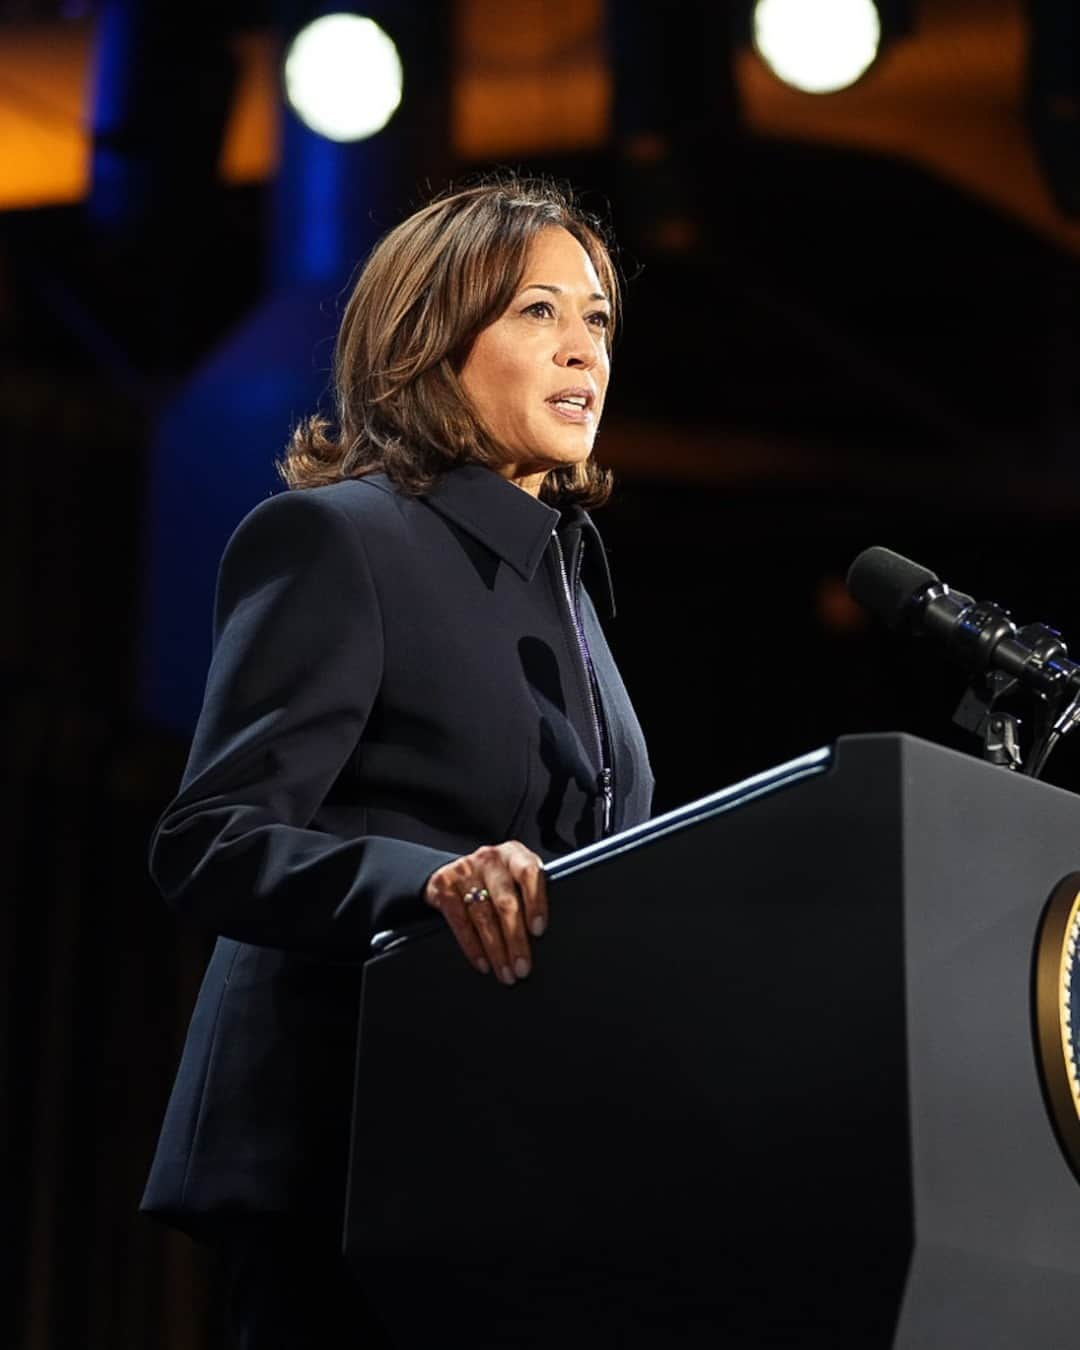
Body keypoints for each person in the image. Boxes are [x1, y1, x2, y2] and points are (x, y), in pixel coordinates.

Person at [141, 175, 654, 1348]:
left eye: (599, 319)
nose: (583, 349)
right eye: (537, 311)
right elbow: (209, 837)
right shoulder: (342, 539)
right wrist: (421, 884)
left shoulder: (569, 596)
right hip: (351, 1147)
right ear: (434, 336)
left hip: (513, 1167)